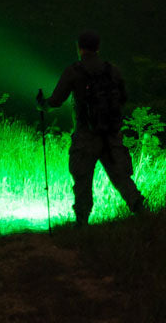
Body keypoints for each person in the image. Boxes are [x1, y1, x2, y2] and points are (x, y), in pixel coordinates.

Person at [36, 31, 146, 226]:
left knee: (82, 180)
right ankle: (144, 215)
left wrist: (42, 105)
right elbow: (123, 98)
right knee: (121, 178)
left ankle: (82, 225)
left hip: (86, 135)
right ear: (98, 47)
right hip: (111, 135)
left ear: (79, 48)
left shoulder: (74, 71)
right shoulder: (113, 70)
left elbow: (56, 100)